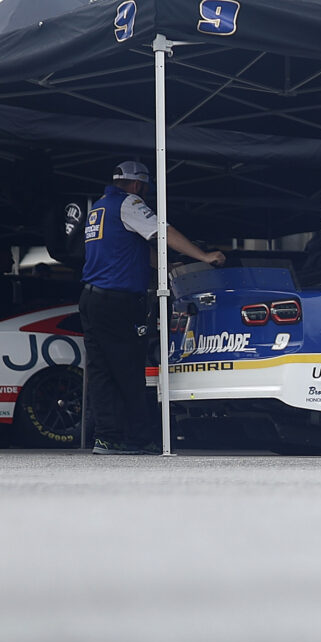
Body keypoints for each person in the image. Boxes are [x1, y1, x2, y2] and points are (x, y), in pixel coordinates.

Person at [79, 159, 223, 454]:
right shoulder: (129, 203)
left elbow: (131, 251)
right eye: (145, 189)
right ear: (137, 185)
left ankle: (107, 437)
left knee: (101, 371)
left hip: (91, 298)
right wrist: (204, 256)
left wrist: (168, 266)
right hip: (117, 300)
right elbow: (163, 231)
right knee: (129, 369)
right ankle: (137, 438)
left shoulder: (98, 208)